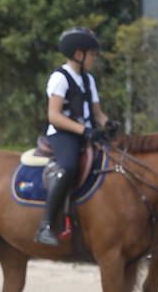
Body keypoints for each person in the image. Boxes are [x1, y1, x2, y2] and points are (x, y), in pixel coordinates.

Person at [34, 26, 114, 247]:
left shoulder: (88, 80)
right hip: (63, 135)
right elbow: (54, 116)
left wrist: (109, 124)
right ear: (79, 55)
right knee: (68, 167)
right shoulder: (60, 78)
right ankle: (46, 225)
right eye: (92, 54)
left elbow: (97, 113)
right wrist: (84, 130)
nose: (94, 58)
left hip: (86, 133)